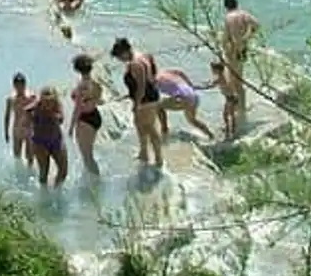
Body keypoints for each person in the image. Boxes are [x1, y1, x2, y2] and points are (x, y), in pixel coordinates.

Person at [111, 37, 163, 167]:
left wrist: (136, 104)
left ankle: (158, 159)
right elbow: (153, 73)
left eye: (119, 57)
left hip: (145, 99)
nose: (120, 60)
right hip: (151, 96)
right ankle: (144, 153)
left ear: (124, 52)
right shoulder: (143, 55)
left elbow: (141, 86)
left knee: (150, 128)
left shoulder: (135, 64)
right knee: (141, 126)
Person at [150, 61, 217, 141]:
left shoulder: (153, 81)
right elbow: (180, 72)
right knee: (192, 121)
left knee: (157, 106)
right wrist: (190, 84)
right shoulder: (164, 71)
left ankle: (164, 131)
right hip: (193, 95)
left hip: (183, 97)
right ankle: (211, 136)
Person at [222, 0, 258, 119]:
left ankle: (240, 109)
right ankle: (241, 107)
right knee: (238, 79)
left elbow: (226, 36)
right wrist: (246, 37)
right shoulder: (244, 14)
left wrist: (223, 48)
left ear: (226, 5)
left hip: (233, 51)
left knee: (233, 81)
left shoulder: (228, 17)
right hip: (243, 49)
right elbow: (256, 25)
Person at [68, 54, 103, 176]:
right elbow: (98, 100)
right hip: (95, 115)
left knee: (87, 156)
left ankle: (96, 182)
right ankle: (90, 177)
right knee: (89, 154)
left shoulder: (82, 85)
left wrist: (71, 127)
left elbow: (77, 108)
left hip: (85, 120)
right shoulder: (96, 83)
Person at [27, 87, 68, 188]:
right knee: (44, 171)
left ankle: (57, 190)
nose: (48, 104)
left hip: (56, 141)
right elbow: (26, 110)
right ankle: (44, 194)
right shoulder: (37, 106)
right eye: (45, 101)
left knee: (63, 171)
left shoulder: (57, 105)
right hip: (40, 142)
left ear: (55, 99)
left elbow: (61, 119)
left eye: (50, 101)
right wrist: (32, 121)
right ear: (41, 99)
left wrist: (53, 116)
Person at [197, 61, 240, 138]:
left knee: (228, 115)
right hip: (231, 97)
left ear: (217, 70)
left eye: (212, 69)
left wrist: (198, 87)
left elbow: (210, 86)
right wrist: (205, 83)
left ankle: (231, 131)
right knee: (228, 115)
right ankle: (230, 130)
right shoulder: (222, 76)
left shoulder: (219, 77)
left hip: (230, 98)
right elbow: (212, 82)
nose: (211, 71)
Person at [3, 72, 37, 165]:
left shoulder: (31, 97)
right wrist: (6, 132)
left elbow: (37, 114)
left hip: (29, 129)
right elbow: (7, 116)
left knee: (30, 155)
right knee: (17, 156)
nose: (20, 88)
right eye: (17, 86)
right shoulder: (11, 99)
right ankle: (19, 173)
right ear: (14, 86)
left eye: (21, 85)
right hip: (17, 129)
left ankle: (30, 172)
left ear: (25, 84)